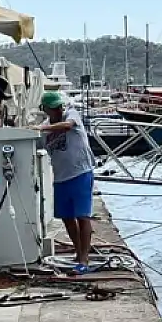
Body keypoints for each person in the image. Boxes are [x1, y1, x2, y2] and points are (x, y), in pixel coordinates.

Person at [38, 91, 96, 275]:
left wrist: (40, 129)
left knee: (82, 216)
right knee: (67, 217)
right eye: (53, 108)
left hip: (80, 172)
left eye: (58, 106)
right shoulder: (45, 127)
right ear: (46, 109)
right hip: (61, 177)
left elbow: (68, 125)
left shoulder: (71, 114)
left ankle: (85, 259)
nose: (57, 110)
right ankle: (78, 253)